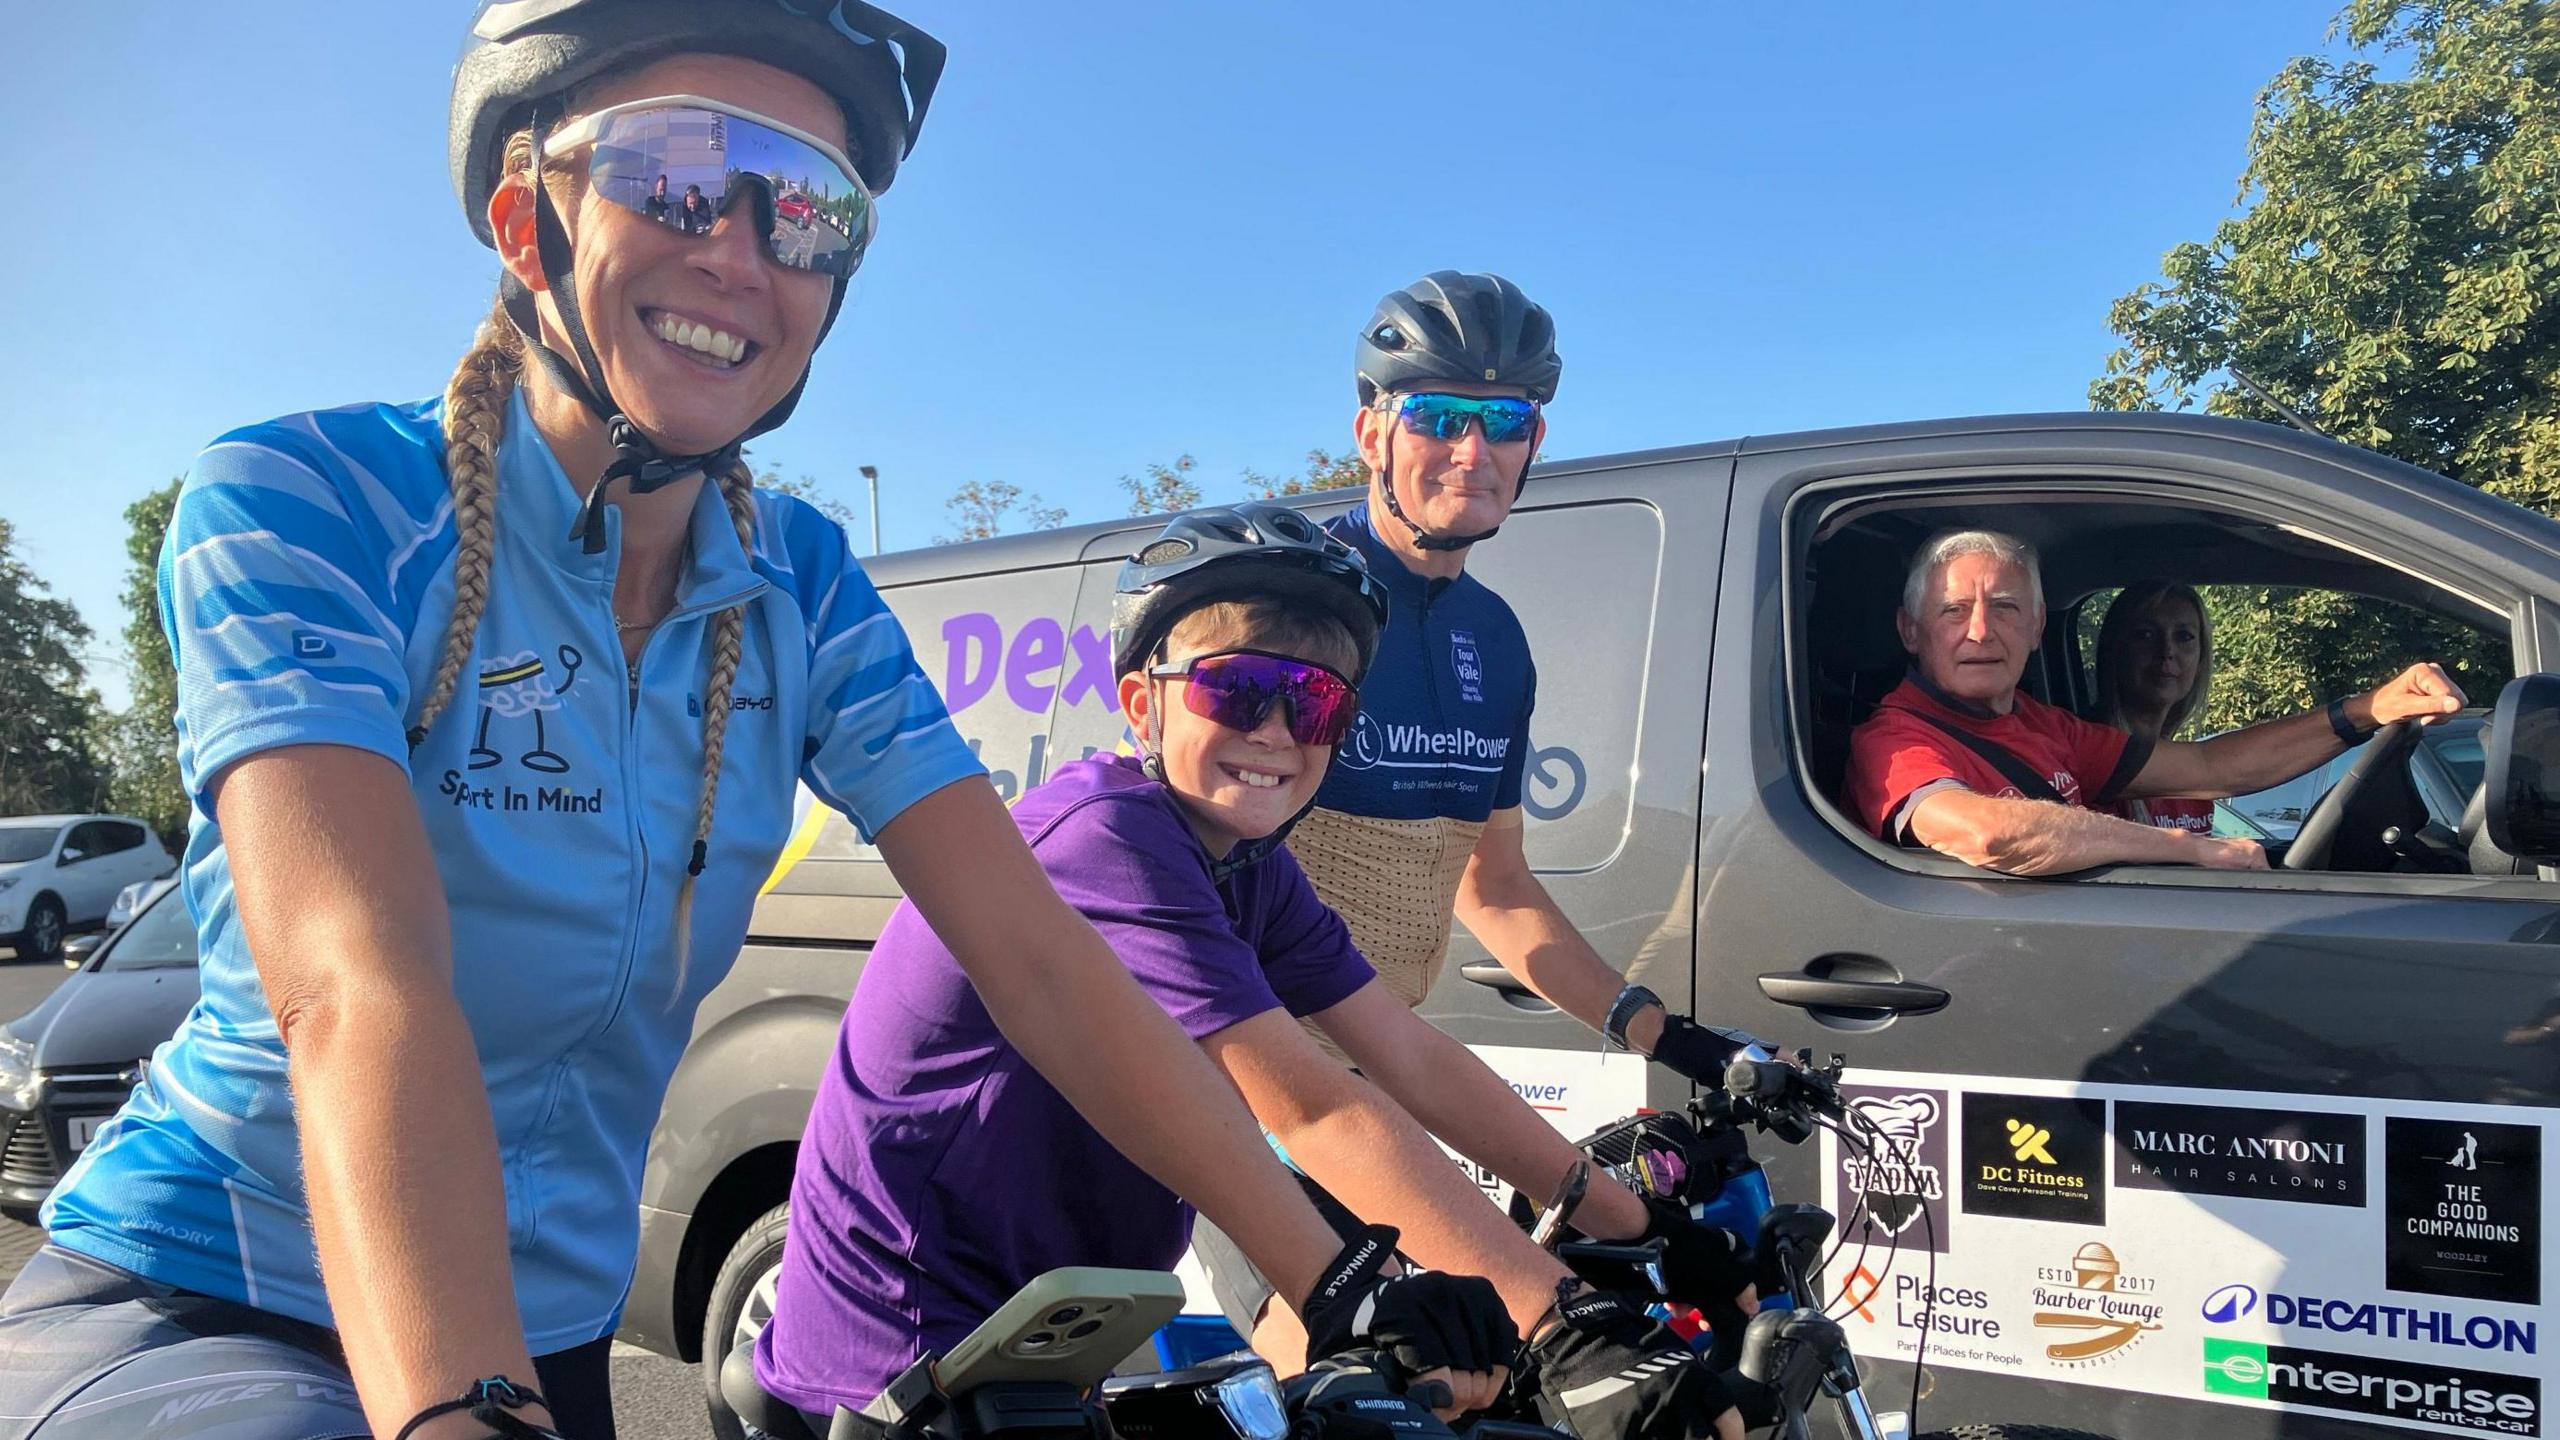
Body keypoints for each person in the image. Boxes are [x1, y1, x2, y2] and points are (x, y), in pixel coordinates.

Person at [0, 8, 1499, 1438]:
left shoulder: (803, 582)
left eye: (809, 212)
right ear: (532, 218)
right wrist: (463, 1405)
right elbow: (357, 987)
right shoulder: (306, 498)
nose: (740, 249)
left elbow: (1043, 956)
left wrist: (1337, 1268)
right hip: (216, 1296)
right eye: (676, 173)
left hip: (552, 1331)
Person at [757, 505, 1750, 1440]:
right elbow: (1307, 1106)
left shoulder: (1250, 866)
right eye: (1235, 689)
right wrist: (1561, 1325)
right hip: (905, 1343)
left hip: (1044, 1326)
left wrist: (1643, 1232)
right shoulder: (1103, 838)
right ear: (1141, 701)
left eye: (1315, 702)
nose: (1276, 730)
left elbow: (1404, 1054)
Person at [1194, 272, 1765, 1365]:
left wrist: (1677, 1038)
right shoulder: (1293, 604)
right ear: (1371, 431)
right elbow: (1183, 868)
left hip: (1374, 1065)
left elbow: (1494, 887)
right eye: (1439, 415)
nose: (1473, 447)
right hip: (1240, 1081)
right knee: (1373, 1385)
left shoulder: (1494, 639)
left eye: (1503, 419)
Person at [1844, 529, 2467, 875]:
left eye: (2004, 608)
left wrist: (2366, 709)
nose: (1980, 631)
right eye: (1953, 611)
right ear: (1911, 630)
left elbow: (2211, 770)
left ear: (2035, 628)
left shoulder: (2045, 726)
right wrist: (2195, 849)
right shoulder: (1895, 738)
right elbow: (1986, 834)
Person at [2084, 580, 2216, 834]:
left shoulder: (2193, 774)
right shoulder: (2085, 755)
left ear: (2201, 659)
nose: (2167, 650)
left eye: (2184, 637)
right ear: (2116, 650)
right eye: (2145, 635)